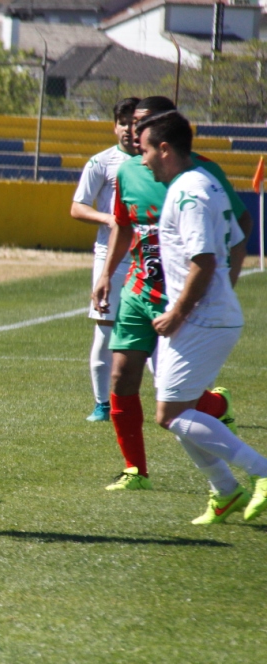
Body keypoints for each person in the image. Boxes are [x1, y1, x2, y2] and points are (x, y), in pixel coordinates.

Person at [92, 95, 252, 492]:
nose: (132, 129)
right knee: (121, 375)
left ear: (163, 136)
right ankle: (135, 470)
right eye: (130, 121)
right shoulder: (127, 172)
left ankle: (222, 425)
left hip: (182, 300)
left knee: (176, 401)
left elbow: (236, 227)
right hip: (138, 289)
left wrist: (223, 283)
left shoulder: (198, 177)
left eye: (142, 123)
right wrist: (107, 275)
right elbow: (123, 225)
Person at [135, 111, 267, 524]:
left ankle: (261, 472)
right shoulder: (204, 181)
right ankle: (225, 491)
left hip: (202, 320)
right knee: (181, 412)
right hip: (209, 315)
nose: (142, 161)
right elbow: (234, 239)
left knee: (170, 414)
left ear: (164, 149)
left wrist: (178, 312)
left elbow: (204, 261)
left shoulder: (189, 191)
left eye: (144, 151)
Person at [69, 97, 139, 422]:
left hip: (150, 255)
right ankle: (102, 404)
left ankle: (184, 398)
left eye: (134, 122)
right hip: (110, 256)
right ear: (115, 126)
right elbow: (77, 206)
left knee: (161, 327)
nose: (128, 129)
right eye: (122, 122)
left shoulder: (158, 162)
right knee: (105, 329)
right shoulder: (101, 162)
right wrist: (108, 219)